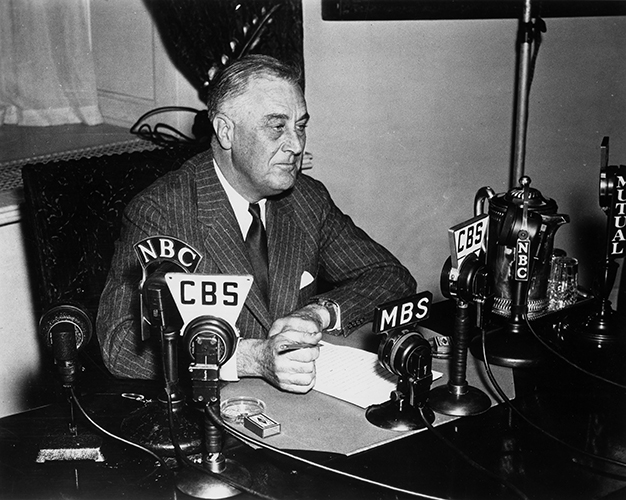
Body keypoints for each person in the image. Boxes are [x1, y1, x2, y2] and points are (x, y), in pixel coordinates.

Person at [97, 54, 416, 394]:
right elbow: (121, 343)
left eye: (301, 126)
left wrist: (318, 313)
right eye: (277, 126)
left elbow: (391, 276)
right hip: (215, 408)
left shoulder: (307, 199)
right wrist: (250, 359)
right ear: (226, 131)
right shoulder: (162, 210)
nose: (295, 145)